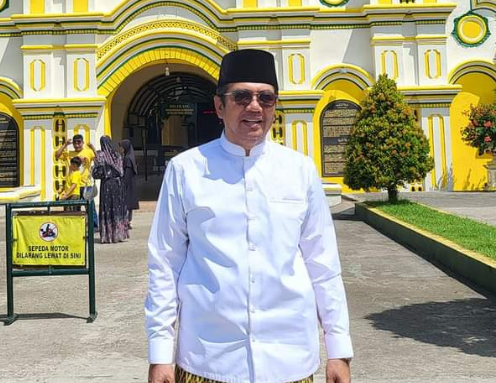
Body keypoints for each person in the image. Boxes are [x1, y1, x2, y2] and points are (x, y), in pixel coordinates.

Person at [146, 49, 353, 383]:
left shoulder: (300, 170)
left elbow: (323, 264)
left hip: (289, 360)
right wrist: (160, 355)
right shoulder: (185, 171)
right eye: (241, 97)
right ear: (219, 106)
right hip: (207, 360)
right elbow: (164, 264)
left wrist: (338, 349)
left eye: (265, 98)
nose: (254, 107)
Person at [56, 133, 98, 229]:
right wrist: (65, 144)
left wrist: (92, 147)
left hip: (86, 185)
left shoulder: (88, 152)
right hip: (74, 186)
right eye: (75, 143)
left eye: (79, 142)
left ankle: (94, 226)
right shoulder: (69, 153)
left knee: (90, 207)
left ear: (83, 142)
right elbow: (57, 155)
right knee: (75, 208)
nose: (77, 145)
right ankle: (77, 227)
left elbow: (98, 159)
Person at [94, 135, 129, 244]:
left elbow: (98, 173)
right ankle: (119, 234)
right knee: (117, 208)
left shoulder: (101, 156)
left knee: (107, 208)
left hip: (107, 185)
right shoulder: (117, 155)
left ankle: (108, 236)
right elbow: (121, 171)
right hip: (118, 185)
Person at [119, 139, 140, 228]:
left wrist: (122, 183)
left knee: (126, 203)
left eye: (121, 147)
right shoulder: (129, 156)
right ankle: (128, 221)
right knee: (129, 204)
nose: (120, 149)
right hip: (131, 184)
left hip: (128, 185)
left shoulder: (128, 159)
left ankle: (127, 221)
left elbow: (127, 173)